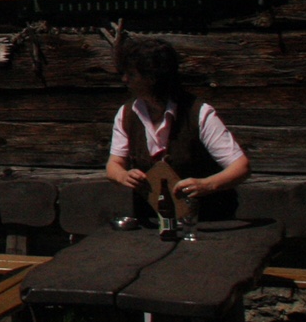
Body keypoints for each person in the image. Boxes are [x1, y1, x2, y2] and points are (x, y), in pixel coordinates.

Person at [105, 35, 248, 211]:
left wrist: (207, 184)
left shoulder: (198, 113)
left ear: (152, 78)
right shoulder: (127, 114)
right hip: (150, 221)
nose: (125, 79)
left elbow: (241, 167)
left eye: (132, 74)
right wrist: (123, 176)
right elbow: (114, 165)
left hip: (205, 220)